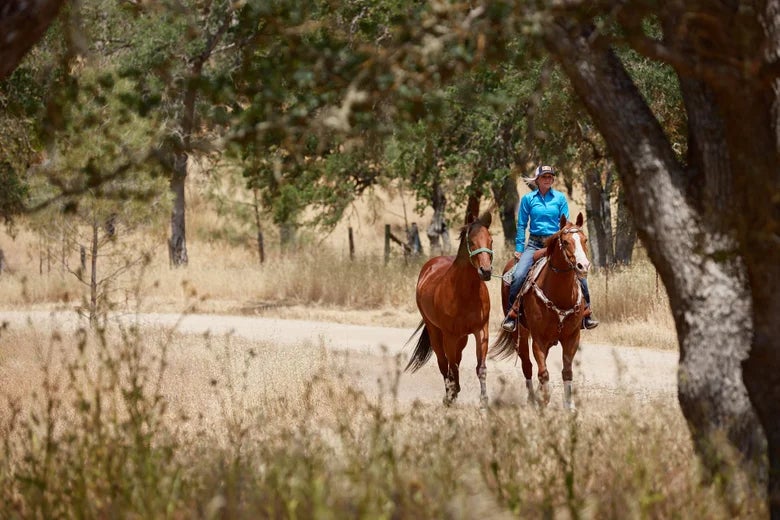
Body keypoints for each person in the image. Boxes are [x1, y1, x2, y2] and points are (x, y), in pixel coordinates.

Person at [501, 164, 599, 332]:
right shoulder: (528, 199)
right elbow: (522, 224)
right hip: (534, 244)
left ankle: (586, 313)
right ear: (537, 180)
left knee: (580, 274)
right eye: (544, 177)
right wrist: (519, 247)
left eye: (550, 177)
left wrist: (566, 240)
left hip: (557, 244)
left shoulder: (560, 198)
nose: (548, 179)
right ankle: (512, 314)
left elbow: (565, 224)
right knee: (518, 275)